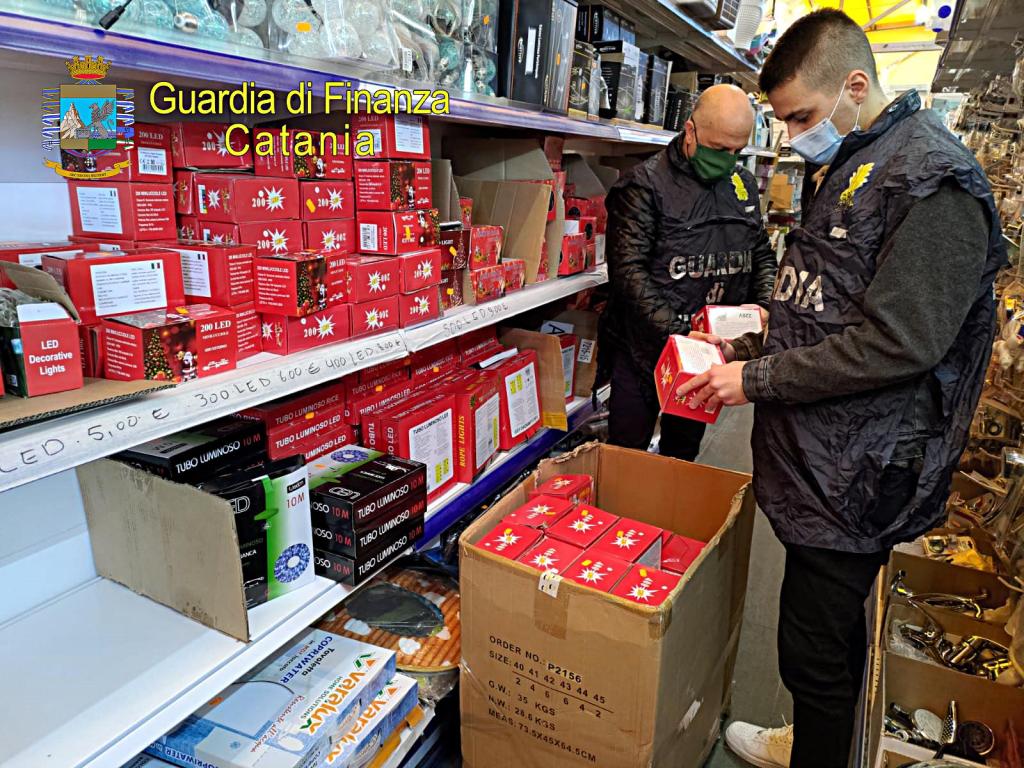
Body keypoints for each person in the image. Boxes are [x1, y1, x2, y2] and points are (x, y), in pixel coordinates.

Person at [678, 10, 1005, 768]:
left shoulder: (935, 182)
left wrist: (756, 376)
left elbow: (900, 342)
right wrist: (766, 322)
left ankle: (815, 749)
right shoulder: (864, 157)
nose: (792, 135)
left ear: (856, 85)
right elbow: (840, 296)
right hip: (823, 460)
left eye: (801, 116)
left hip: (860, 470)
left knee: (814, 652)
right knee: (818, 641)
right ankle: (811, 739)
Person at [600, 84, 776, 461]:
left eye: (737, 151)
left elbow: (760, 251)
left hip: (705, 353)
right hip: (643, 351)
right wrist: (679, 330)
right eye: (719, 149)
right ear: (690, 130)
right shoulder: (644, 185)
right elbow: (628, 274)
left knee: (683, 452)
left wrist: (762, 304)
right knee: (626, 456)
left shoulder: (742, 185)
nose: (728, 160)